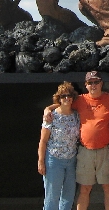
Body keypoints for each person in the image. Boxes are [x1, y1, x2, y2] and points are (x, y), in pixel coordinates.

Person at [43, 71, 109, 210]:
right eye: (90, 82)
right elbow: (62, 103)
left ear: (101, 83)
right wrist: (47, 109)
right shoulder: (79, 100)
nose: (93, 85)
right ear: (86, 85)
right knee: (84, 189)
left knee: (108, 188)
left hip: (106, 150)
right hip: (85, 151)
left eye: (96, 82)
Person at [38, 82, 80, 210]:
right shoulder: (51, 116)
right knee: (52, 197)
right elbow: (43, 141)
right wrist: (41, 161)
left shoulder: (76, 115)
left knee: (68, 197)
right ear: (59, 98)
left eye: (69, 95)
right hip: (54, 160)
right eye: (63, 96)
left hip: (71, 160)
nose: (67, 98)